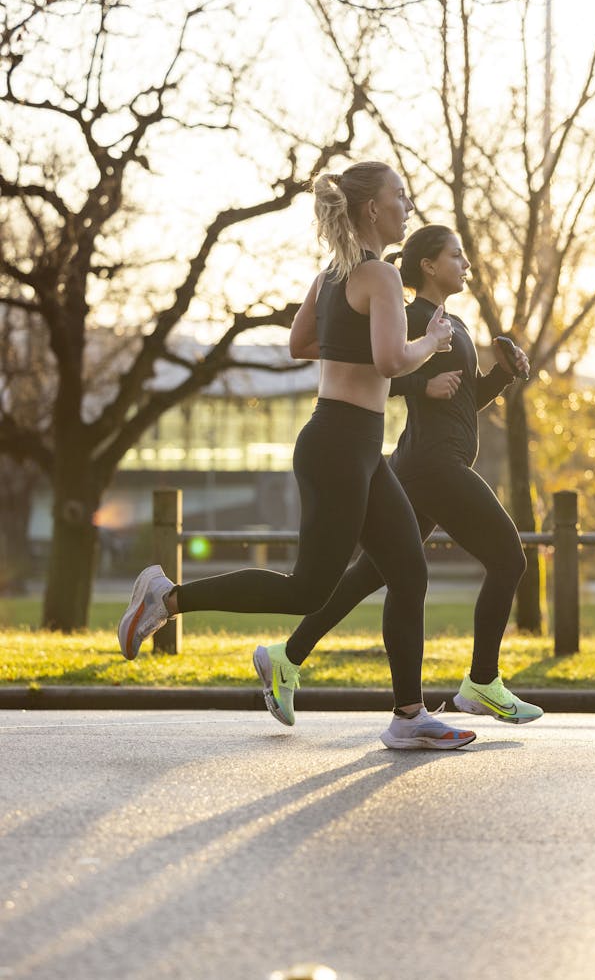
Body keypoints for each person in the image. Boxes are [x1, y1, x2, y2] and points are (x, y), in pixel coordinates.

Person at [118, 163, 476, 751]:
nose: (407, 207)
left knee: (408, 569)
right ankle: (168, 597)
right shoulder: (381, 276)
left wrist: (371, 345)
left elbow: (299, 343)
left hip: (349, 443)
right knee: (307, 589)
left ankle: (409, 715)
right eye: (399, 197)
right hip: (341, 445)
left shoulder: (331, 275)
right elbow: (391, 361)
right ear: (371, 211)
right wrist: (430, 343)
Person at [255, 224, 544, 730]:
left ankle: (287, 655)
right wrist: (419, 383)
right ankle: (481, 682)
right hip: (433, 466)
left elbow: (463, 403)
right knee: (508, 558)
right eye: (456, 256)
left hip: (422, 466)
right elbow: (370, 373)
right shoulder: (406, 316)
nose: (466, 265)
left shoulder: (452, 325)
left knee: (374, 574)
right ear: (429, 265)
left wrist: (502, 373)